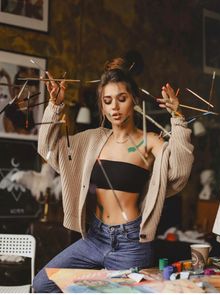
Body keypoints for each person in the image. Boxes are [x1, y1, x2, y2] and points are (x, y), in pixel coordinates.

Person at [33, 57, 194, 292]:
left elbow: (179, 171)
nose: (115, 107)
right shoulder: (91, 139)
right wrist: (55, 106)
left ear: (134, 100)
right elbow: (49, 150)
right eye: (107, 101)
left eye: (122, 99)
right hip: (94, 238)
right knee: (42, 283)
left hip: (131, 243)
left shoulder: (149, 141)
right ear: (102, 105)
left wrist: (178, 119)